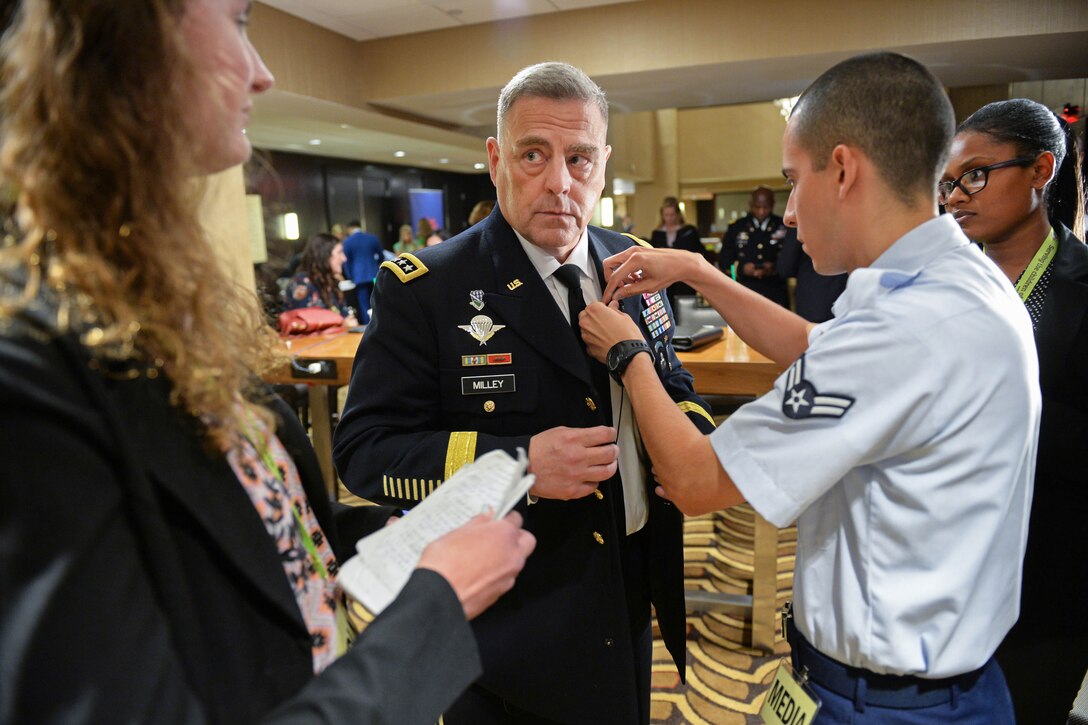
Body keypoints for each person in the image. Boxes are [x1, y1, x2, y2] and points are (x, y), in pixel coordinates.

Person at [0, 1, 535, 722]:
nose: (263, 73)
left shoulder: (143, 290)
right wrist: (436, 603)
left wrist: (397, 535)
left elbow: (239, 527)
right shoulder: (27, 359)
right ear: (130, 37)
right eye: (240, 22)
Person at [580, 52, 1038, 722]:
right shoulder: (948, 280)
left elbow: (693, 478)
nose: (790, 212)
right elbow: (810, 345)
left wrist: (630, 352)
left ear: (845, 170)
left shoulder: (907, 329)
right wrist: (700, 273)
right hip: (933, 681)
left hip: (886, 701)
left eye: (795, 181)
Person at [333, 61, 716, 724]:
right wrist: (518, 464)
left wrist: (687, 441)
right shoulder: (428, 286)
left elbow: (675, 380)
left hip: (628, 588)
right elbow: (365, 451)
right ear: (495, 157)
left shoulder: (631, 261)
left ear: (603, 162)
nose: (558, 183)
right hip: (510, 623)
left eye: (579, 157)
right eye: (532, 154)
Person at [941, 98, 1088, 723]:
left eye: (976, 174)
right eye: (948, 181)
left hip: (1048, 580)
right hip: (938, 579)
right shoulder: (933, 285)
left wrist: (998, 409)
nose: (955, 195)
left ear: (1040, 170)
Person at [718, 186, 791, 307]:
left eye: (766, 207)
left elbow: (790, 258)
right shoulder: (737, 227)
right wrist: (741, 268)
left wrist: (774, 268)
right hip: (745, 289)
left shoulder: (783, 226)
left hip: (775, 291)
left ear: (772, 205)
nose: (761, 211)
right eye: (757, 207)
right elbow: (724, 260)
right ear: (751, 204)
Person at [283, 232, 358, 325]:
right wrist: (342, 323)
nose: (344, 258)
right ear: (324, 255)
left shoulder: (331, 282)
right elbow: (305, 324)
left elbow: (344, 313)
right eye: (339, 252)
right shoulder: (302, 284)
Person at [776, 226, 847, 322]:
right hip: (852, 302)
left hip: (814, 304)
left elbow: (786, 268)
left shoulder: (801, 220)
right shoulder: (856, 216)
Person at [649, 196, 704, 304]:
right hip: (664, 278)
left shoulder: (689, 231)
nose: (669, 218)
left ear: (678, 214)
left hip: (685, 278)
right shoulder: (657, 234)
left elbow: (697, 252)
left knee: (685, 304)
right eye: (666, 215)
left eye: (672, 215)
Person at [340, 219, 383, 323]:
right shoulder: (372, 238)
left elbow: (346, 262)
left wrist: (350, 276)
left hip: (358, 276)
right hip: (374, 274)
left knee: (363, 304)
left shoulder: (347, 242)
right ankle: (380, 324)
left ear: (350, 229)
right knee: (377, 301)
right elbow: (381, 255)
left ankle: (367, 325)